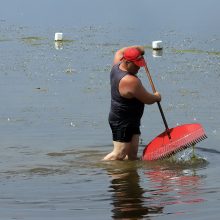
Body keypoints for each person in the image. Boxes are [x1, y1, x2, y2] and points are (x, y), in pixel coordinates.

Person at [102, 45, 161, 161]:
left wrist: (139, 49)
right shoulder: (130, 81)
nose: (139, 68)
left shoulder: (117, 63)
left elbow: (119, 50)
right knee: (119, 154)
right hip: (121, 120)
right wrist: (157, 97)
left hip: (132, 119)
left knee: (133, 155)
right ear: (127, 62)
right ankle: (98, 170)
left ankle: (129, 176)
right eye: (136, 65)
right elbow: (148, 99)